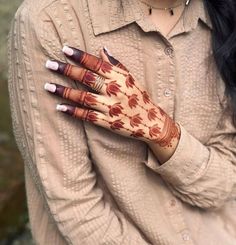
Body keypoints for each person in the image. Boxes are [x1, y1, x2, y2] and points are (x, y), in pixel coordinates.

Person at [8, 0, 236, 244]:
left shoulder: (225, 12)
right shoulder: (53, 20)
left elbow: (223, 187)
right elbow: (75, 208)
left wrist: (159, 130)